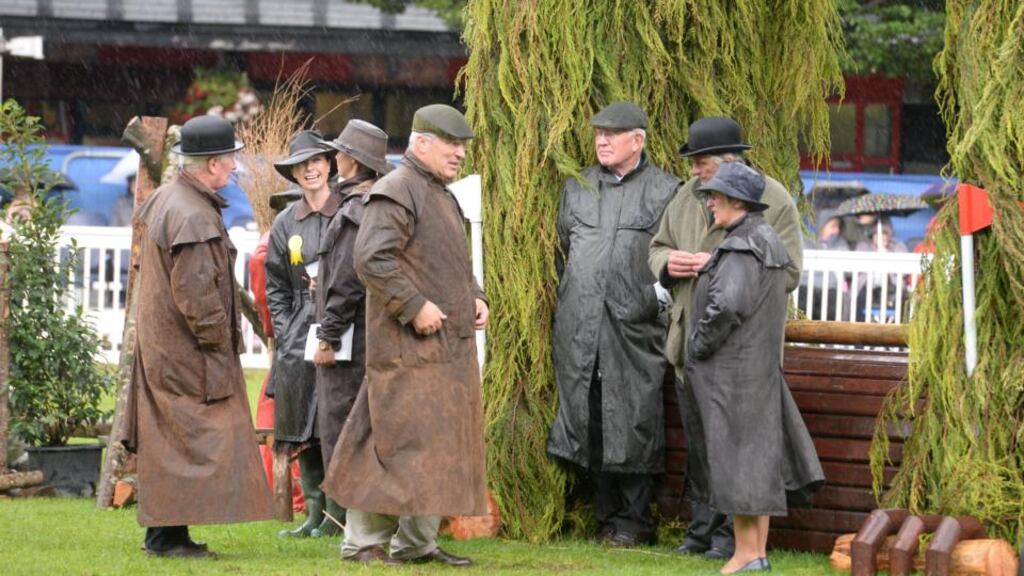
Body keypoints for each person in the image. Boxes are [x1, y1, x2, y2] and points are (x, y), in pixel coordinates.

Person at [322, 104, 488, 567]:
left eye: (463, 146)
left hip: (443, 352)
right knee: (391, 447)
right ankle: (361, 544)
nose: (460, 153)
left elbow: (452, 262)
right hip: (406, 352)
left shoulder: (440, 193)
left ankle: (417, 545)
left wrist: (476, 295)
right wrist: (414, 307)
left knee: (435, 447)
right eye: (451, 144)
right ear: (420, 143)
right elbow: (372, 259)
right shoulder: (397, 189)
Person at [648, 117, 804, 560]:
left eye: (701, 164)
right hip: (689, 343)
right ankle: (703, 530)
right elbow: (655, 247)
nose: (694, 172)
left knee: (735, 447)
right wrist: (668, 263)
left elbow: (787, 271)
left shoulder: (773, 200)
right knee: (703, 442)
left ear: (729, 162)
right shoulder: (683, 196)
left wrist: (718, 263)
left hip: (735, 353)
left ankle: (730, 542)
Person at [124, 114, 273, 558]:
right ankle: (166, 539)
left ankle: (168, 537)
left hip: (168, 349)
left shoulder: (172, 200)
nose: (234, 168)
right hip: (186, 352)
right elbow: (195, 294)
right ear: (211, 164)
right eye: (229, 160)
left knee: (174, 443)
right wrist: (217, 345)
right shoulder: (190, 213)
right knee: (192, 442)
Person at [545, 101, 679, 547]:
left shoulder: (666, 190)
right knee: (590, 413)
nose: (602, 140)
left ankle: (635, 520)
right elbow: (565, 249)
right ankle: (607, 516)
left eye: (612, 134)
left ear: (637, 140)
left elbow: (674, 261)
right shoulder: (578, 187)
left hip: (636, 326)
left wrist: (653, 301)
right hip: (581, 326)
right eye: (598, 133)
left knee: (636, 414)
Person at [683, 162, 823, 574]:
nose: (709, 202)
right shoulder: (765, 240)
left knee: (742, 463)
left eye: (715, 196)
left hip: (736, 373)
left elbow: (727, 305)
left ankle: (745, 553)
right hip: (757, 368)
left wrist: (698, 343)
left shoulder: (742, 245)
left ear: (737, 201)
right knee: (757, 462)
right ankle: (755, 553)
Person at [310, 119, 393, 537]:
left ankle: (353, 523)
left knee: (344, 426)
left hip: (351, 343)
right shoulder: (375, 204)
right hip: (370, 338)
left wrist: (327, 335)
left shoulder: (354, 212)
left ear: (353, 162)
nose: (334, 157)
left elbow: (345, 283)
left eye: (339, 152)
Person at [265, 129, 339, 539]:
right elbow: (274, 283)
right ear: (293, 172)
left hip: (340, 325)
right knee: (301, 426)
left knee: (334, 418)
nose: (310, 169)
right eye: (302, 164)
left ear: (328, 164)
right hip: (297, 333)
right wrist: (286, 324)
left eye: (316, 161)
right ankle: (314, 512)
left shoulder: (347, 210)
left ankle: (337, 513)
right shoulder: (285, 222)